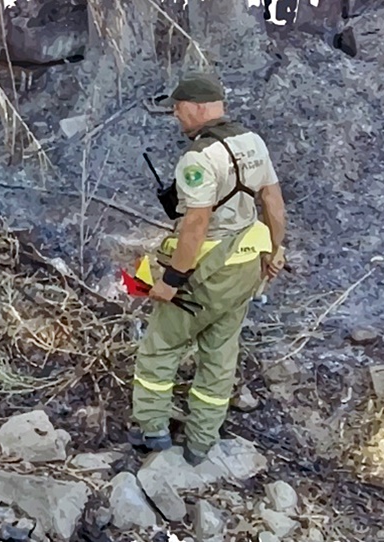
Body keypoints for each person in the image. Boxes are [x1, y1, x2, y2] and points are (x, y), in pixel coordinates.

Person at [129, 71, 288, 466]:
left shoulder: (198, 158)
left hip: (204, 273)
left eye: (179, 110)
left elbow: (196, 225)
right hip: (246, 265)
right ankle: (201, 443)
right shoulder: (253, 143)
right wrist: (275, 250)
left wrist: (171, 280)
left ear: (198, 106)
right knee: (219, 354)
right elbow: (274, 205)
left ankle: (153, 432)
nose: (178, 118)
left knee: (160, 348)